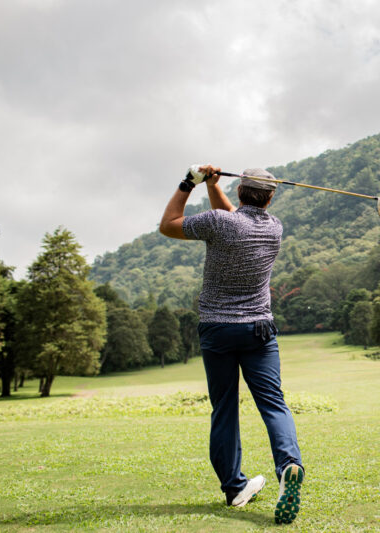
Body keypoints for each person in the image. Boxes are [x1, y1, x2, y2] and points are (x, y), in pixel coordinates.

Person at [159, 164, 304, 524]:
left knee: (224, 409)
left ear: (240, 191)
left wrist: (189, 183)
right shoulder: (274, 228)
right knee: (274, 404)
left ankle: (234, 486)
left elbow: (168, 225)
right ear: (270, 197)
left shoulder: (220, 224)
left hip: (218, 329)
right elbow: (236, 219)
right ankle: (288, 465)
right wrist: (213, 185)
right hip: (259, 329)